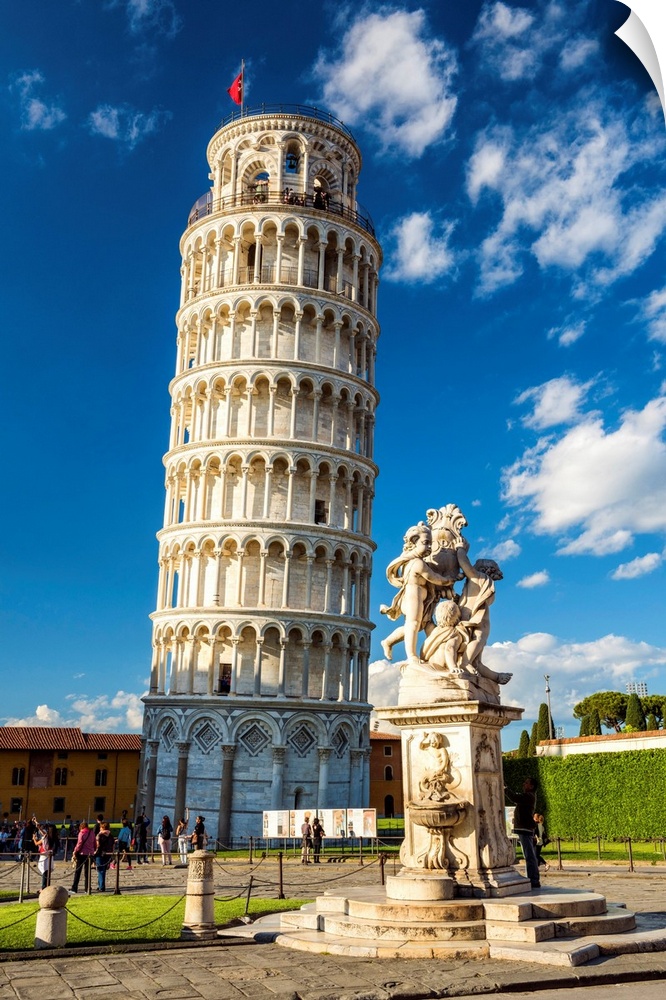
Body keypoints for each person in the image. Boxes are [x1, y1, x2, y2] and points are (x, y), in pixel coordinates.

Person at [380, 523, 454, 665]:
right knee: (413, 624)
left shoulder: (415, 561)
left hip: (422, 599)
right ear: (414, 542)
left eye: (430, 544)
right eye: (426, 543)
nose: (429, 548)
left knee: (424, 625)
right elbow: (434, 578)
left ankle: (388, 641)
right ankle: (412, 655)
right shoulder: (417, 564)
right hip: (413, 597)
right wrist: (449, 580)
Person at [505, 777, 541, 889]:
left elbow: (514, 797)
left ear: (531, 786)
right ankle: (532, 878)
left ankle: (533, 879)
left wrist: (505, 788)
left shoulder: (529, 796)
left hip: (525, 828)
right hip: (524, 828)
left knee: (529, 855)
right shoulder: (529, 796)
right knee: (529, 855)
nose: (523, 784)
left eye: (526, 783)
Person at [70, 821, 96, 894]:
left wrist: (75, 851)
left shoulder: (81, 833)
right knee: (87, 872)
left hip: (82, 854)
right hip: (90, 854)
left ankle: (74, 888)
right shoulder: (92, 833)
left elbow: (79, 843)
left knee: (78, 871)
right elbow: (94, 843)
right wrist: (93, 850)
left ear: (81, 827)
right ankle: (87, 888)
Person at [34, 823, 59, 890]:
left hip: (44, 855)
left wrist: (34, 838)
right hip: (50, 855)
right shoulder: (55, 837)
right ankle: (47, 885)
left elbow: (37, 843)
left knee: (44, 871)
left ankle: (43, 887)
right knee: (48, 871)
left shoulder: (46, 837)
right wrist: (39, 827)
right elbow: (43, 833)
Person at [95, 821, 115, 892]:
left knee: (100, 870)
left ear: (102, 828)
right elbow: (113, 845)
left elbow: (97, 845)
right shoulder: (110, 835)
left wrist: (94, 852)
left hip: (100, 854)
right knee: (103, 870)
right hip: (108, 854)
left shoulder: (100, 835)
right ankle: (100, 884)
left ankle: (101, 887)